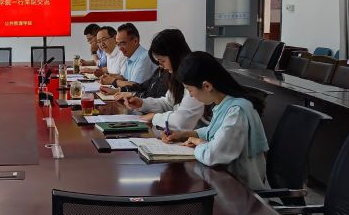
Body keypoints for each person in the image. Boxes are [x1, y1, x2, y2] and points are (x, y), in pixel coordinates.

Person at [162, 51, 268, 189]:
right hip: (226, 184)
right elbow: (216, 130)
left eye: (190, 90)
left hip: (243, 193)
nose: (191, 96)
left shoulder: (237, 112)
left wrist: (199, 143)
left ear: (207, 86)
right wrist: (185, 134)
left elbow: (212, 155)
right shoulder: (225, 104)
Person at [118, 29, 204, 132]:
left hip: (196, 136)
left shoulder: (194, 77)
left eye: (162, 61)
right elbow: (168, 103)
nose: (161, 66)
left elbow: (182, 122)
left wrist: (155, 117)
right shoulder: (176, 76)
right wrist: (142, 103)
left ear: (174, 56)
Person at [100, 23, 154, 88]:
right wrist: (108, 77)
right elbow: (124, 78)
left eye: (122, 43)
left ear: (135, 41)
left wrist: (113, 81)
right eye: (118, 44)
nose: (120, 48)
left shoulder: (145, 57)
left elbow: (136, 86)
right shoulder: (129, 56)